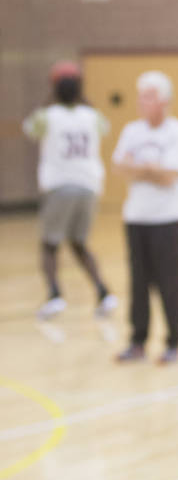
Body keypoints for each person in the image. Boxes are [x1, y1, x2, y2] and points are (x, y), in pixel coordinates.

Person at [22, 60, 117, 321]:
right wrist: (82, 98)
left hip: (60, 186)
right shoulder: (92, 116)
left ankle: (54, 296)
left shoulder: (47, 115)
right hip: (89, 187)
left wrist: (49, 98)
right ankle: (104, 292)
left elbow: (29, 129)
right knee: (78, 243)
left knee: (49, 245)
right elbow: (105, 127)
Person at [112, 71, 178, 364]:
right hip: (136, 218)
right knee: (138, 282)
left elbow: (171, 175)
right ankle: (137, 340)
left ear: (164, 101)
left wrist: (141, 168)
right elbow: (119, 166)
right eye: (141, 96)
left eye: (148, 96)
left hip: (168, 219)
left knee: (169, 282)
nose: (141, 102)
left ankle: (173, 341)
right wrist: (151, 169)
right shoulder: (132, 131)